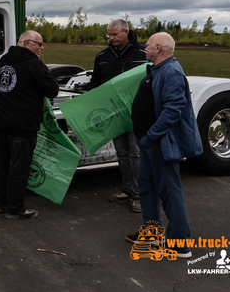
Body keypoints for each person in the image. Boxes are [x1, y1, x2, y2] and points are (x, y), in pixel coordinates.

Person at [126, 32, 203, 258]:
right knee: (147, 187)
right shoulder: (159, 69)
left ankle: (180, 244)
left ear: (158, 48)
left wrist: (151, 136)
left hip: (159, 143)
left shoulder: (171, 72)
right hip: (149, 143)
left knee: (169, 190)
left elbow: (173, 110)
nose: (145, 49)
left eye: (148, 46)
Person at [0, 30, 59, 220]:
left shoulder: (5, 60)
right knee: (19, 167)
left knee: (1, 163)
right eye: (39, 44)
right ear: (27, 44)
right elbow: (52, 89)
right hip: (21, 125)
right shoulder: (35, 65)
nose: (42, 48)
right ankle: (14, 209)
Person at [83, 19, 146, 213]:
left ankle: (140, 196)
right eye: (109, 35)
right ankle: (128, 189)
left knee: (136, 154)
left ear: (126, 32)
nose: (111, 38)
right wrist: (83, 96)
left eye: (115, 35)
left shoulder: (144, 54)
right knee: (122, 152)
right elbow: (96, 82)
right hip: (114, 114)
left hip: (137, 114)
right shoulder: (102, 56)